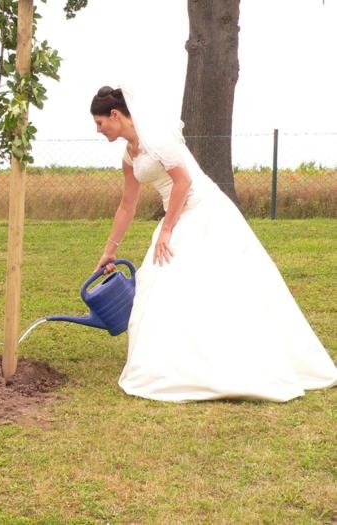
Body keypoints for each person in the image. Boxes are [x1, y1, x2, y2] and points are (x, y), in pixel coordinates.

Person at [90, 85, 337, 402]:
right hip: (176, 215)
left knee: (207, 282)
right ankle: (179, 362)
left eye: (99, 123)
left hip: (201, 210)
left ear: (115, 114)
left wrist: (167, 230)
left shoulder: (158, 139)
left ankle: (228, 361)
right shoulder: (130, 154)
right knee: (162, 284)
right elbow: (127, 205)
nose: (98, 130)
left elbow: (184, 182)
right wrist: (110, 248)